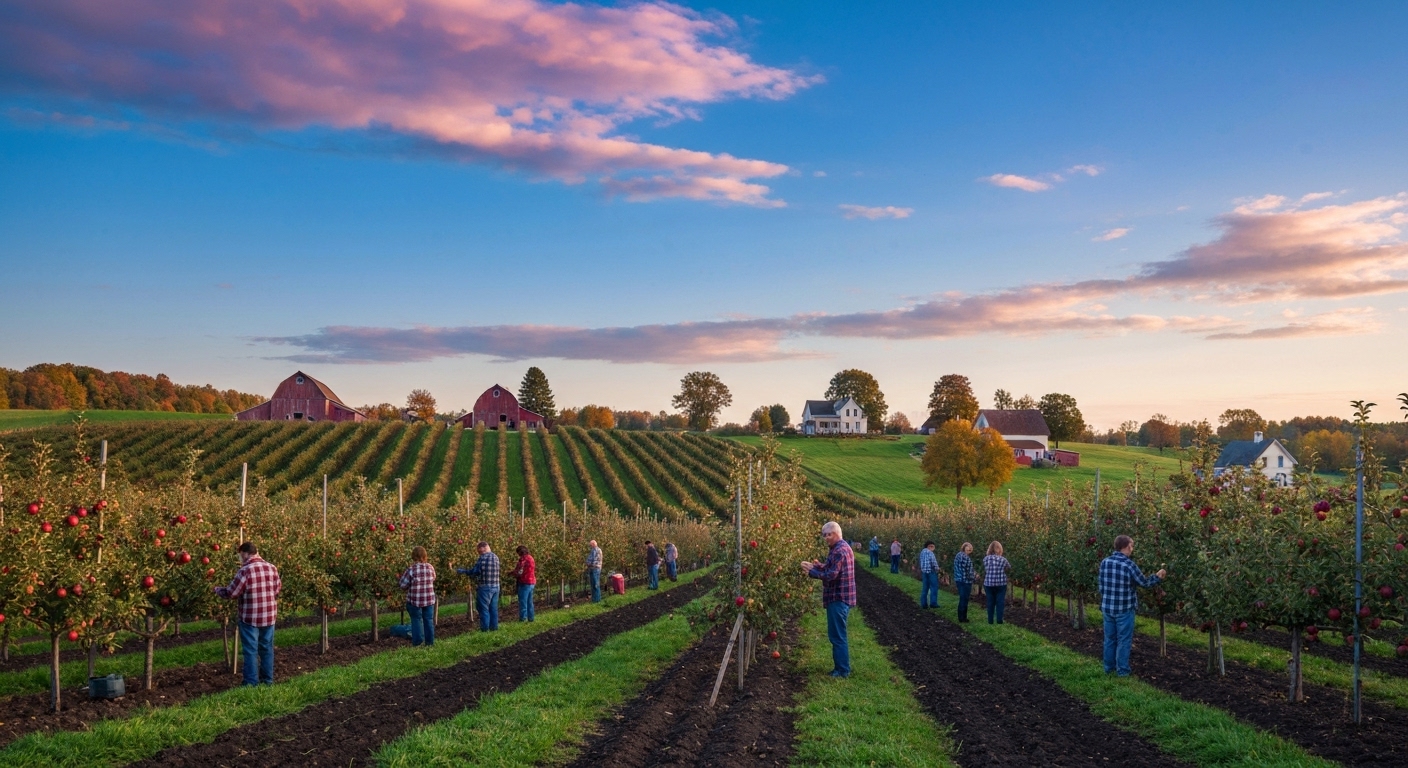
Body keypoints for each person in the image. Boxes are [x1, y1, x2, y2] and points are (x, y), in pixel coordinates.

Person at [214, 541, 282, 686]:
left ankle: (251, 683)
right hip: (269, 616)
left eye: (240, 555)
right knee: (266, 648)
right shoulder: (272, 568)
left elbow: (233, 592)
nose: (240, 558)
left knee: (250, 650)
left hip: (250, 617)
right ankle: (267, 681)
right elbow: (277, 589)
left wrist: (218, 590)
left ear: (245, 553)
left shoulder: (245, 570)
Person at [1099, 535, 1167, 677]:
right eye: (1132, 546)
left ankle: (1108, 669)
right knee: (1123, 640)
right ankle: (1122, 671)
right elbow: (1144, 583)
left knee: (1110, 639)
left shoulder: (1105, 562)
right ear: (1127, 546)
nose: (1132, 549)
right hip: (1124, 609)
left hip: (1107, 608)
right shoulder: (1128, 565)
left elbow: (1101, 585)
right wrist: (1158, 577)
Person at [800, 521, 856, 678]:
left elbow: (831, 575)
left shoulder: (839, 551)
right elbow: (832, 568)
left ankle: (842, 670)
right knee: (838, 635)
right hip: (841, 597)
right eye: (823, 535)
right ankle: (841, 668)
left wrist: (812, 572)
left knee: (837, 636)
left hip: (838, 598)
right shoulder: (840, 548)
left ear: (836, 533)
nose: (825, 538)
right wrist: (817, 566)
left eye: (828, 535)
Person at [397, 546, 437, 646]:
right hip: (429, 600)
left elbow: (403, 585)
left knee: (416, 620)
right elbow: (433, 578)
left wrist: (399, 578)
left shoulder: (411, 570)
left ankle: (418, 643)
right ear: (425, 556)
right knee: (428, 620)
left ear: (413, 557)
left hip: (415, 601)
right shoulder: (430, 567)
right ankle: (430, 643)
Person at [457, 542, 501, 631]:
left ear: (483, 548)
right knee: (493, 609)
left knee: (483, 609)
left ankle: (485, 630)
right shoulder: (495, 557)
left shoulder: (482, 558)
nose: (479, 553)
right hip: (496, 586)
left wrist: (462, 571)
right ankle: (494, 628)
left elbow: (475, 572)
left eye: (479, 551)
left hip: (485, 587)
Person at [981, 541, 1012, 624]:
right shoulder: (1003, 560)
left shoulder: (985, 559)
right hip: (1000, 583)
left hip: (989, 583)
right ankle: (999, 620)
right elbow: (1009, 568)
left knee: (990, 602)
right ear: (1000, 549)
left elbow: (986, 569)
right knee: (1000, 602)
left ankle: (990, 620)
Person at [512, 545, 536, 622]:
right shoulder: (531, 557)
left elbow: (520, 572)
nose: (518, 555)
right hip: (532, 582)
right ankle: (531, 618)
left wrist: (512, 573)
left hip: (524, 582)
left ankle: (523, 619)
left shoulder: (523, 559)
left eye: (518, 553)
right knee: (530, 602)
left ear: (520, 552)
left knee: (523, 602)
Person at [953, 542, 976, 622]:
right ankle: (963, 618)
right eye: (968, 547)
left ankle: (961, 617)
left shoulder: (958, 555)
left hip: (958, 580)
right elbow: (967, 572)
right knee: (964, 599)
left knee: (962, 598)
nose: (969, 549)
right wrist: (974, 577)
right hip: (965, 581)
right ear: (964, 547)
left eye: (970, 548)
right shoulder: (965, 557)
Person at [918, 541, 940, 608]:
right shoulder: (930, 553)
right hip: (931, 572)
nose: (934, 548)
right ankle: (933, 603)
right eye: (933, 546)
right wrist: (937, 569)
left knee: (925, 588)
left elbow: (920, 561)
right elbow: (933, 562)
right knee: (934, 587)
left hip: (924, 572)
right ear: (929, 546)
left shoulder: (922, 552)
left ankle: (923, 604)